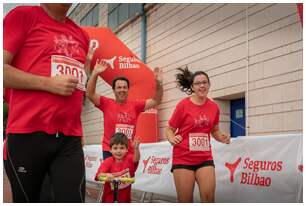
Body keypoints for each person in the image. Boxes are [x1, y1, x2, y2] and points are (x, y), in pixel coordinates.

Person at [3, 4, 89, 202]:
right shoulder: (23, 16)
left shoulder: (82, 35)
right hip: (28, 135)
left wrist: (80, 129)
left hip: (70, 138)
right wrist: (48, 84)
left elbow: (77, 92)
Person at [165, 66, 231, 203]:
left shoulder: (214, 107)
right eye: (198, 83)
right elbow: (169, 129)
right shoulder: (183, 105)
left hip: (204, 157)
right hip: (183, 158)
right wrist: (172, 138)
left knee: (209, 198)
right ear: (192, 87)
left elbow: (214, 130)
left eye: (204, 82)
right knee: (185, 201)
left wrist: (222, 137)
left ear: (209, 85)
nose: (202, 86)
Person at [86, 59, 163, 160]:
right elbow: (90, 94)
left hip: (128, 151)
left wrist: (159, 84)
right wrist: (95, 73)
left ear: (128, 89)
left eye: (124, 87)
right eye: (119, 87)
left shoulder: (136, 105)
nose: (122, 90)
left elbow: (156, 101)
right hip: (110, 150)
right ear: (113, 90)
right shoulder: (107, 103)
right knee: (111, 176)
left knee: (127, 176)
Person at [95, 132, 140, 203]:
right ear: (110, 150)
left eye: (122, 148)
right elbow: (98, 175)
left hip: (125, 199)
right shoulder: (108, 161)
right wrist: (106, 175)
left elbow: (136, 159)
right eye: (115, 148)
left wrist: (136, 149)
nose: (118, 151)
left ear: (127, 149)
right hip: (110, 198)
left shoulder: (129, 159)